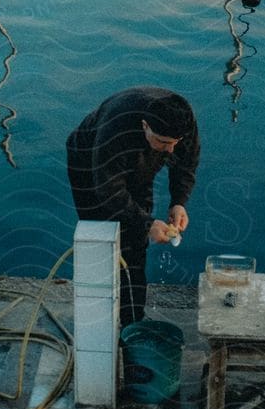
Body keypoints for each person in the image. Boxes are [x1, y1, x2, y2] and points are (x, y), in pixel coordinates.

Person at [65, 87, 199, 327]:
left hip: (141, 160)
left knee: (135, 242)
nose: (171, 150)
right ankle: (99, 315)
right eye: (164, 142)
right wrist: (147, 223)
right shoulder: (115, 127)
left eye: (175, 143)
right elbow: (109, 190)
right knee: (101, 236)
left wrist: (179, 201)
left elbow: (186, 163)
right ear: (145, 125)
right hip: (90, 161)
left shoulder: (182, 122)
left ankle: (132, 319)